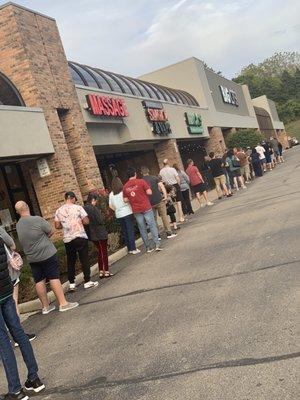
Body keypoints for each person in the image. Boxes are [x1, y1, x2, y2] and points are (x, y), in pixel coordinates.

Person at [0, 236, 45, 399]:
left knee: (3, 341)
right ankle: (34, 379)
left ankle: (15, 390)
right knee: (18, 332)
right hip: (5, 289)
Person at [15, 201, 79, 313]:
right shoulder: (37, 219)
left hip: (32, 257)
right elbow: (50, 231)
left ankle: (45, 307)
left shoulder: (18, 225)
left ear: (17, 212)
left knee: (39, 280)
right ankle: (63, 303)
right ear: (28, 207)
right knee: (54, 277)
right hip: (47, 254)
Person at [54, 192, 99, 291]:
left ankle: (72, 284)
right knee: (84, 259)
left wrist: (65, 225)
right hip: (80, 236)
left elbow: (57, 226)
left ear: (65, 198)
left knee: (71, 261)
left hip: (68, 239)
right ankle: (87, 281)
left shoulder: (58, 211)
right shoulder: (78, 208)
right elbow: (86, 221)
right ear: (72, 198)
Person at [0, 226, 36, 347]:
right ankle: (18, 337)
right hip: (8, 273)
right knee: (13, 303)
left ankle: (6, 340)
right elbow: (12, 245)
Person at [123, 167, 162, 252]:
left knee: (142, 228)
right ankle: (157, 244)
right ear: (135, 174)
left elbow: (125, 200)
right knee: (152, 225)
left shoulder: (125, 186)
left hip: (136, 210)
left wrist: (133, 197)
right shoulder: (141, 181)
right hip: (146, 207)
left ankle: (148, 247)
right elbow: (149, 192)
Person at [141, 166, 177, 239]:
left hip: (149, 203)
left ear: (141, 173)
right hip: (159, 200)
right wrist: (165, 196)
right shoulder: (155, 178)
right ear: (148, 171)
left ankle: (157, 235)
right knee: (164, 217)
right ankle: (169, 233)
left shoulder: (141, 181)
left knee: (153, 220)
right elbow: (162, 187)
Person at [109, 177, 140, 255]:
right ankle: (133, 248)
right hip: (127, 212)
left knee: (125, 232)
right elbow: (128, 200)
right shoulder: (123, 191)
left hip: (119, 214)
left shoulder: (111, 194)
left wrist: (116, 209)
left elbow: (110, 205)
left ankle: (129, 249)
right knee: (130, 231)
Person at [84, 193, 113, 279]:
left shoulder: (83, 208)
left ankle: (101, 271)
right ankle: (106, 271)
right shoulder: (94, 209)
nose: (96, 202)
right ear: (93, 200)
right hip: (100, 233)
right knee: (103, 252)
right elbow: (100, 220)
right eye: (95, 200)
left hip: (92, 234)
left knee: (100, 252)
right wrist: (104, 215)